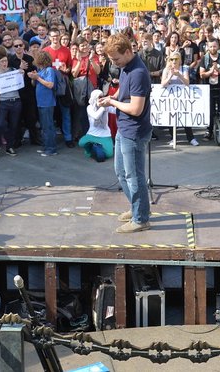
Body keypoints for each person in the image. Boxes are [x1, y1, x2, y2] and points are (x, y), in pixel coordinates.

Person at [98, 34, 152, 234]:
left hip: (134, 131)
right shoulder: (126, 68)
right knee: (121, 172)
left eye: (116, 59)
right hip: (124, 127)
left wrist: (112, 102)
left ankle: (141, 218)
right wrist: (112, 97)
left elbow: (136, 109)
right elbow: (126, 93)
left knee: (134, 176)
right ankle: (137, 208)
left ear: (128, 52)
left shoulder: (137, 72)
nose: (114, 63)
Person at [161, 53, 198, 146]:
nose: (174, 61)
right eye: (172, 59)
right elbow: (163, 84)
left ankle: (191, 138)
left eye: (176, 59)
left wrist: (179, 75)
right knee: (171, 117)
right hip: (171, 97)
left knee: (185, 117)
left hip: (182, 98)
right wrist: (170, 76)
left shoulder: (184, 68)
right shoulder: (166, 70)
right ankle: (173, 138)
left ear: (180, 60)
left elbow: (187, 82)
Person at [0, 53, 23, 159]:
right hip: (4, 102)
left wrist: (21, 73)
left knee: (14, 125)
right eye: (2, 61)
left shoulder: (13, 70)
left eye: (5, 61)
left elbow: (20, 81)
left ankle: (10, 147)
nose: (4, 63)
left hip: (16, 101)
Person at [27, 51, 58, 157]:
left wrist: (37, 78)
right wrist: (33, 78)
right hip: (41, 102)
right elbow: (34, 84)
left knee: (48, 126)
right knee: (44, 126)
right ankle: (46, 146)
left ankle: (51, 149)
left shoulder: (49, 70)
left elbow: (50, 85)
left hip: (47, 102)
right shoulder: (41, 70)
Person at [79, 90, 113, 163]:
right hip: (92, 133)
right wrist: (103, 107)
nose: (101, 98)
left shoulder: (105, 106)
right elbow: (96, 116)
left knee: (109, 154)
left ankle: (97, 147)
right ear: (94, 98)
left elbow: (115, 110)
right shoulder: (89, 107)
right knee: (81, 143)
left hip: (104, 134)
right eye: (99, 97)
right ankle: (93, 147)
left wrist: (114, 103)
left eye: (102, 96)